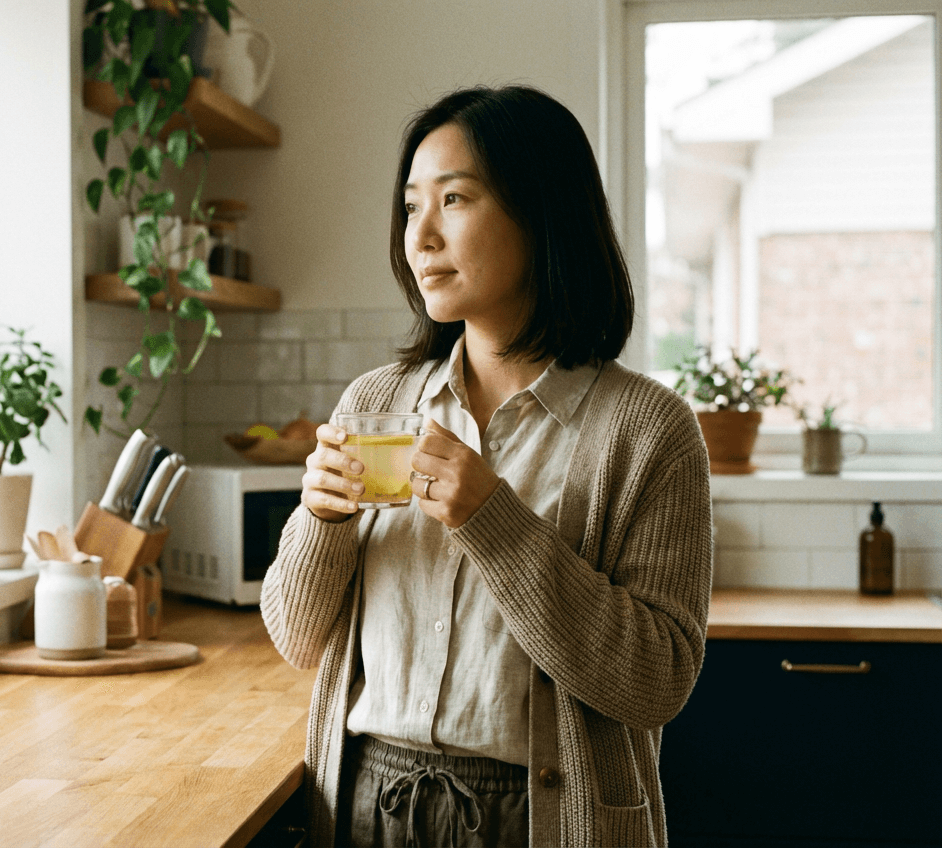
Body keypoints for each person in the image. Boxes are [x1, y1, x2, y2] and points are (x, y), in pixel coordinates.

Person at [260, 84, 713, 848]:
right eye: (411, 207)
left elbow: (657, 681)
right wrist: (321, 519)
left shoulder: (648, 431)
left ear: (542, 213)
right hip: (369, 805)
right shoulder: (376, 402)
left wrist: (491, 521)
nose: (421, 235)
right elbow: (298, 639)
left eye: (455, 200)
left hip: (544, 819)